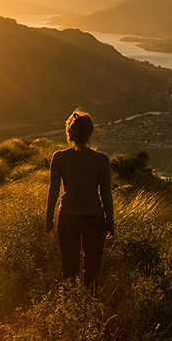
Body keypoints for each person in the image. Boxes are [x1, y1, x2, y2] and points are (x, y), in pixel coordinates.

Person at [45, 108, 114, 292]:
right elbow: (106, 194)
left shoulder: (59, 158)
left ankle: (70, 305)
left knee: (69, 267)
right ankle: (89, 306)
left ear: (69, 132)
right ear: (90, 132)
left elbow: (53, 191)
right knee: (92, 268)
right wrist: (111, 224)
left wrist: (49, 221)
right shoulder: (101, 160)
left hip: (67, 218)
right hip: (94, 219)